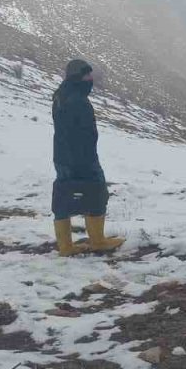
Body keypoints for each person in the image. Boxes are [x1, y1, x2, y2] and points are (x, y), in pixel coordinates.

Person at [51, 59, 125, 256]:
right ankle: (98, 241)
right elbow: (84, 134)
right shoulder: (79, 101)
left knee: (63, 194)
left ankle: (65, 247)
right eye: (87, 74)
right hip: (82, 158)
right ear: (78, 76)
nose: (90, 78)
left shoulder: (60, 95)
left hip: (61, 156)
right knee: (96, 192)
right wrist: (85, 157)